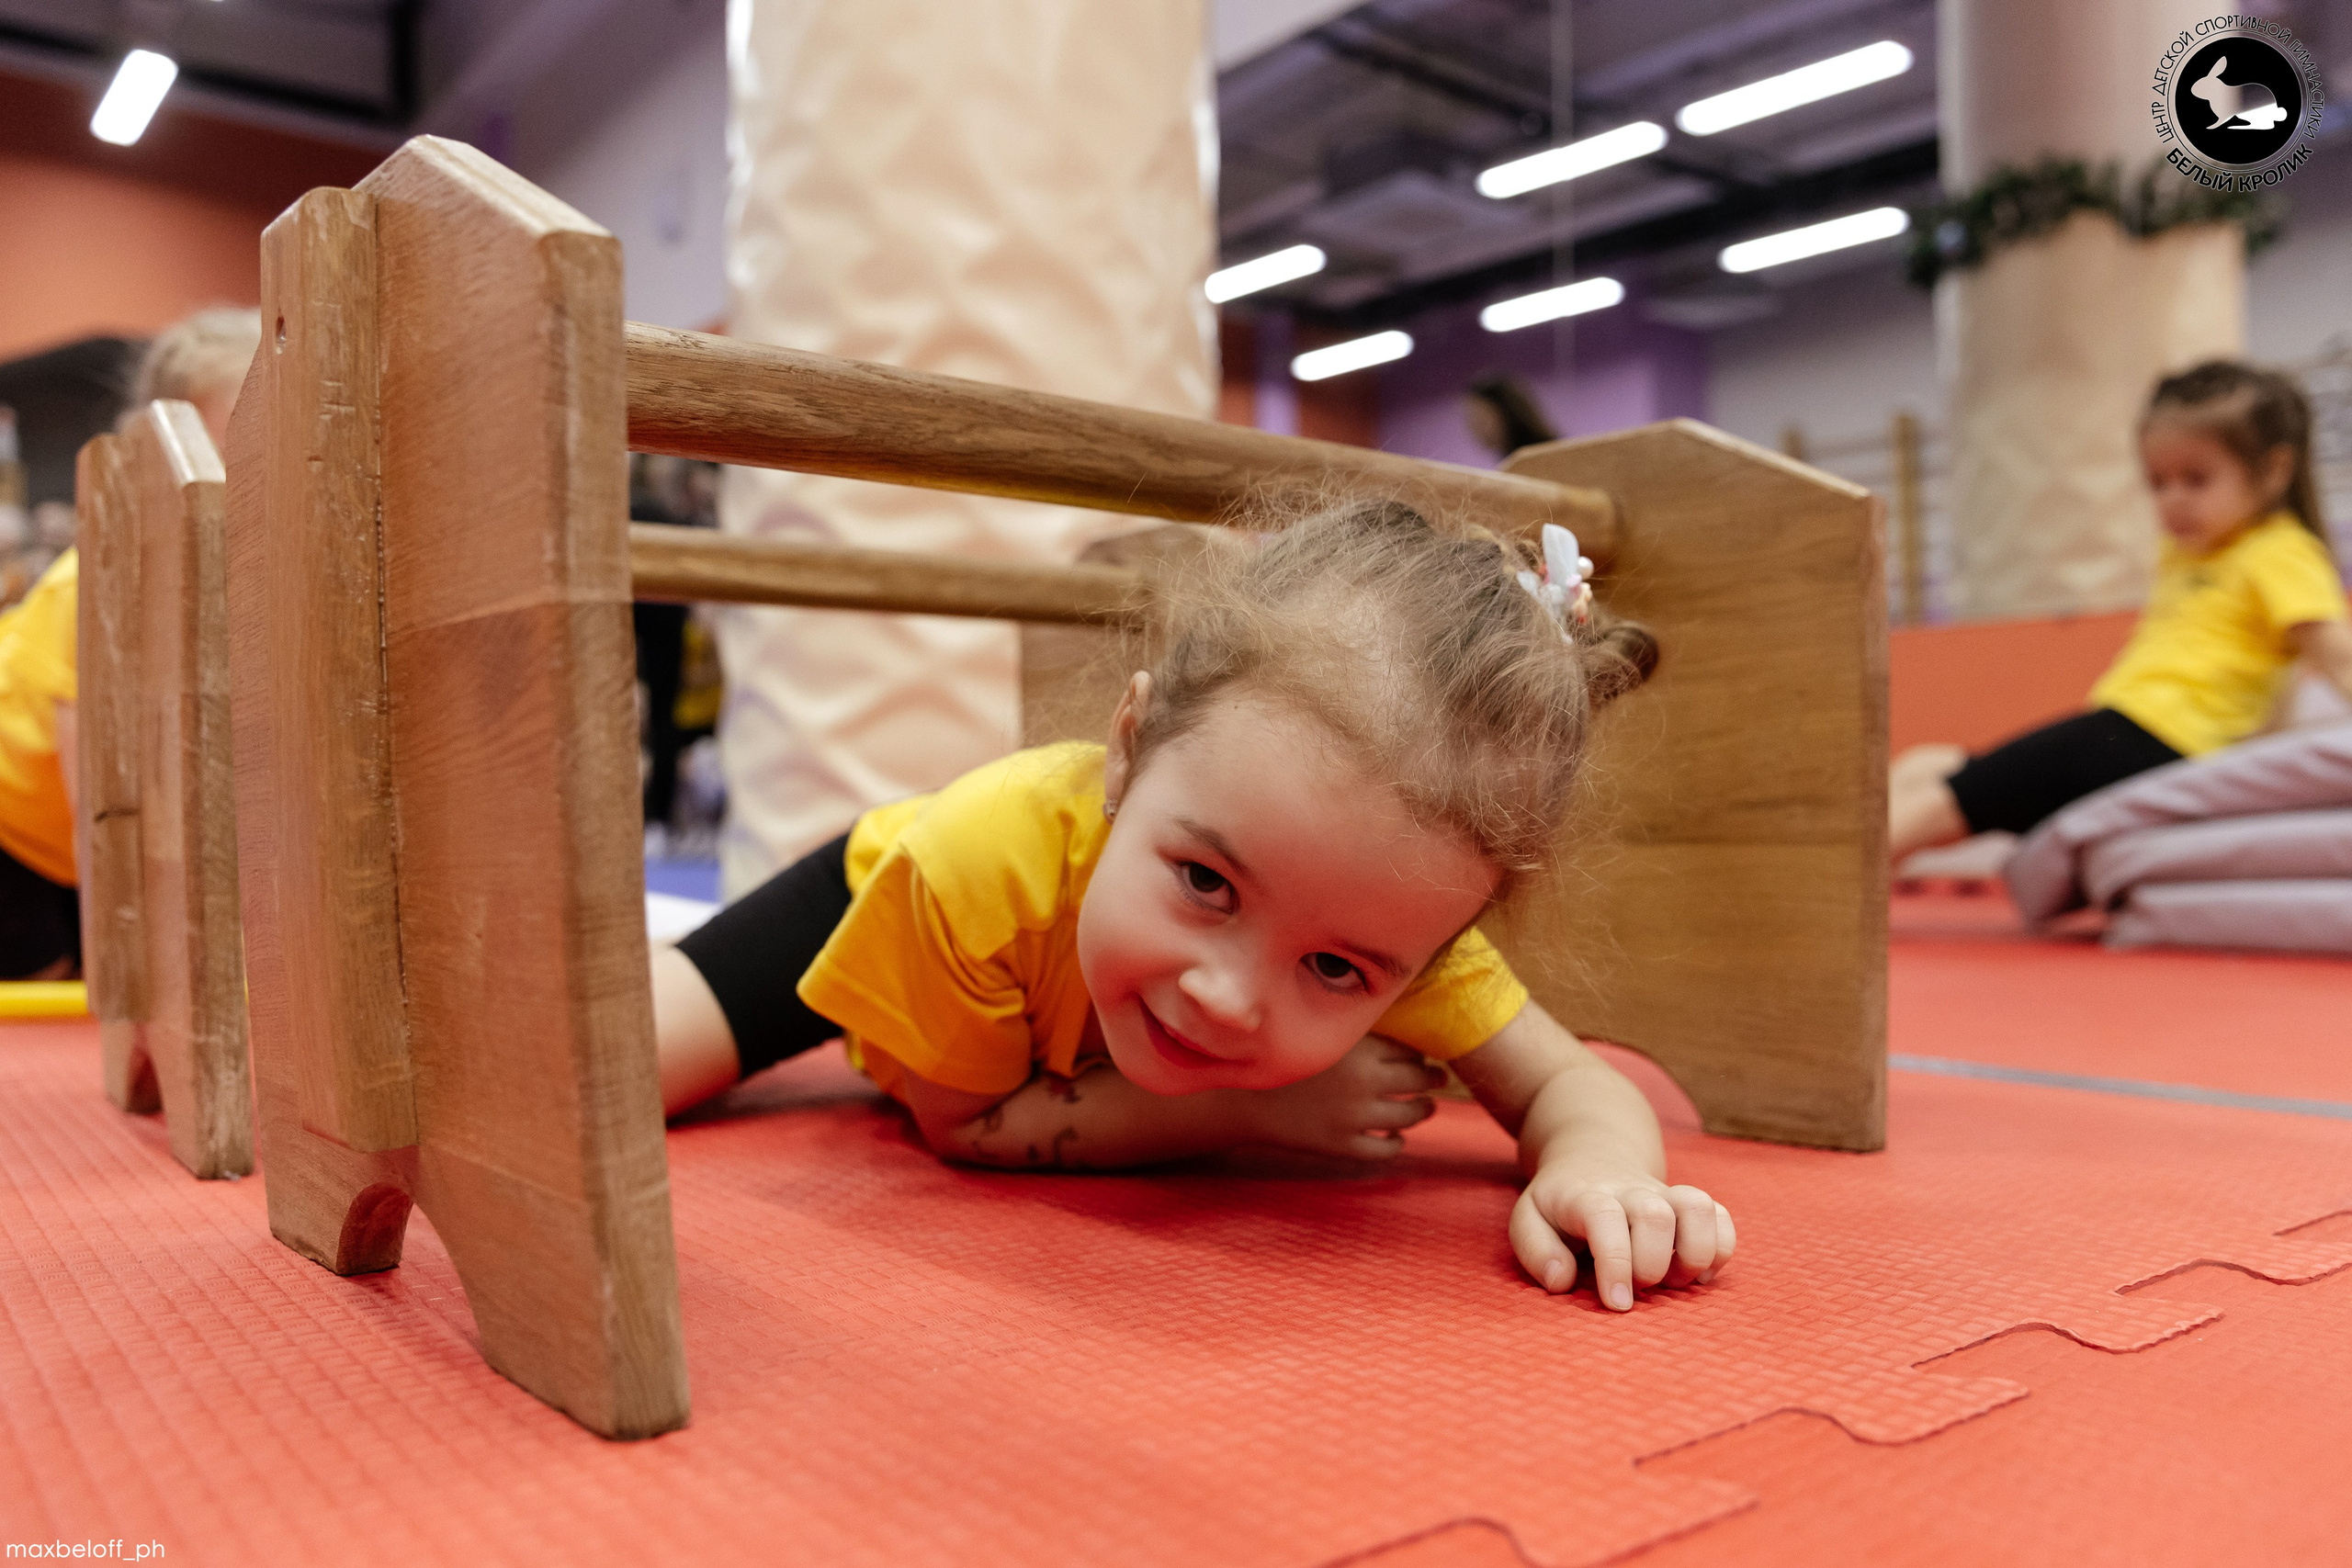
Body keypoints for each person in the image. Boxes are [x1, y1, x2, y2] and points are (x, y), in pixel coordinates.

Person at [653, 500, 1735, 1312]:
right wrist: (1250, 1110)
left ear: (1434, 952)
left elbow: (1571, 1086)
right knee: (624, 1061)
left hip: (1040, 1035)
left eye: (1335, 971)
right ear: (1128, 751)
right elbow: (965, 1123)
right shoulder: (969, 872)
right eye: (1206, 883)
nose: (1224, 996)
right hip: (881, 903)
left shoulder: (1393, 917)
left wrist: (1602, 1169)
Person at [1892, 360, 2352, 862]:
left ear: (2273, 471)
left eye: (2197, 480)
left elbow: (2335, 654)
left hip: (2168, 741)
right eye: (2157, 482)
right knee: (1923, 767)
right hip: (2124, 731)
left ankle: (1831, 888)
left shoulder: (2279, 552)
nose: (2172, 500)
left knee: (1945, 803)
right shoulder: (2190, 552)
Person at [0, 307, 259, 979]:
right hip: (12, 816)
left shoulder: (245, 569)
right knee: (57, 979)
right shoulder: (99, 579)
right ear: (157, 449)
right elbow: (97, 795)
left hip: (61, 840)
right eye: (235, 434)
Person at [1463, 372, 1559, 461]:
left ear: (1507, 413)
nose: (1476, 429)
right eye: (1471, 421)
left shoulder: (1541, 458)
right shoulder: (1509, 462)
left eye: (1481, 420)